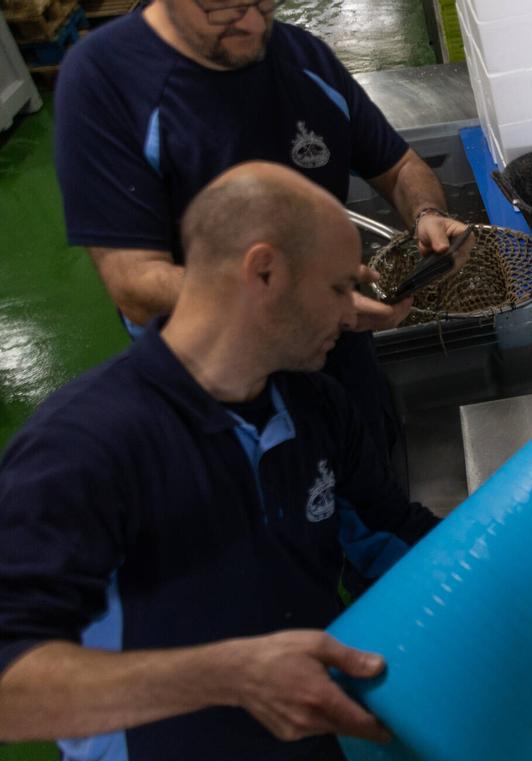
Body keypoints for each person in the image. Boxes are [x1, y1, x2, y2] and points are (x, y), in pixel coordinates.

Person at [0, 163, 441, 761]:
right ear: (263, 272)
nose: (352, 315)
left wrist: (505, 569)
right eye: (339, 289)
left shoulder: (316, 406)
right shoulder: (82, 449)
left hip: (307, 699)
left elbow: (384, 524)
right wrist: (230, 677)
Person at [52, 0, 472, 459]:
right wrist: (300, 301)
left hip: (337, 357)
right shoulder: (106, 79)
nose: (252, 23)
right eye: (223, 8)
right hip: (219, 386)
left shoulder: (303, 58)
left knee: (370, 481)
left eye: (263, 3)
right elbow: (134, 283)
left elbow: (398, 166)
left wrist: (426, 213)